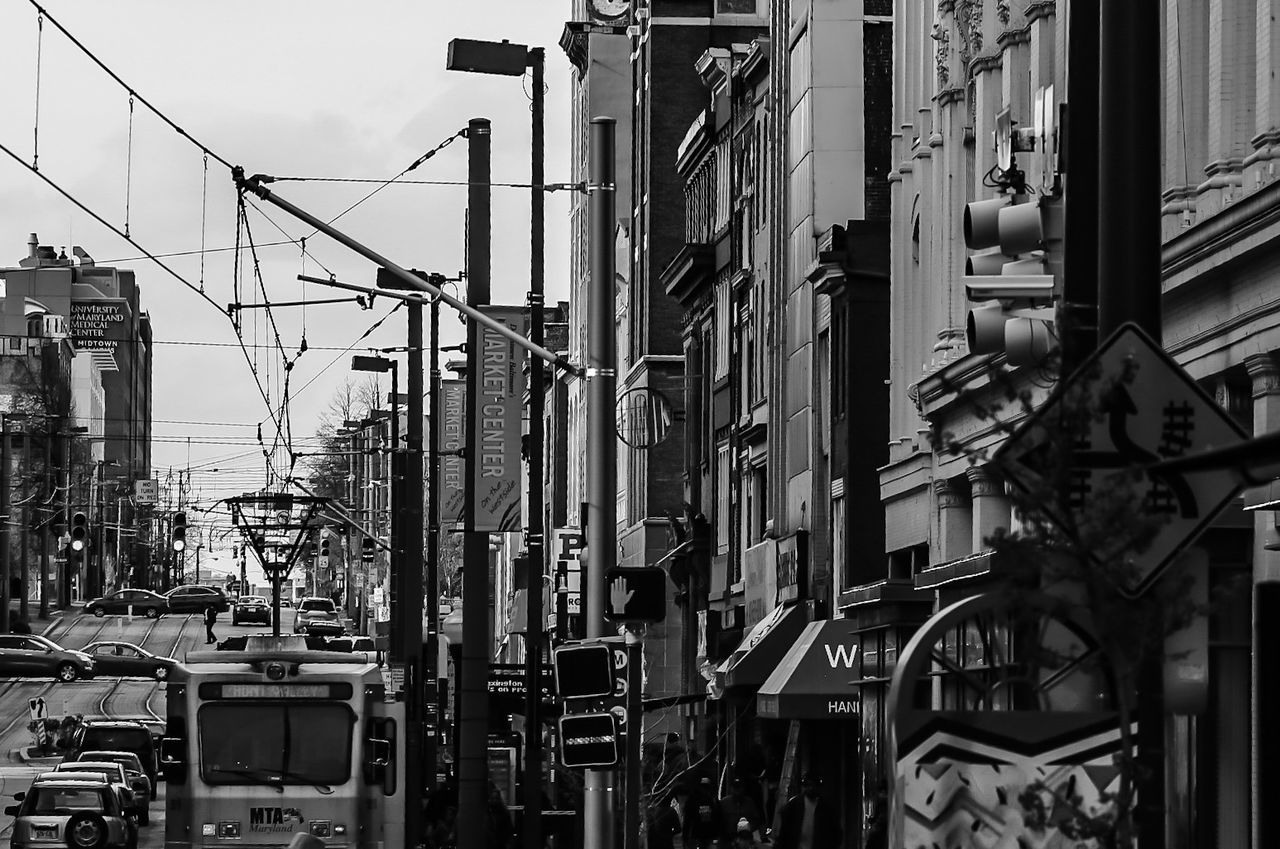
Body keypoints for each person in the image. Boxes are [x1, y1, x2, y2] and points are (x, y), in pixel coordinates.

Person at [773, 773, 843, 849]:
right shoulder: (794, 805)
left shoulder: (826, 808)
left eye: (814, 785)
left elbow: (835, 833)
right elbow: (784, 832)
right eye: (808, 785)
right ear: (804, 786)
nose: (811, 788)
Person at [717, 777, 763, 849]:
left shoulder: (749, 802)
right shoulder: (724, 802)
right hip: (727, 839)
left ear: (743, 788)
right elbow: (718, 820)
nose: (737, 790)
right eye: (735, 787)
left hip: (745, 840)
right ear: (731, 788)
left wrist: (748, 828)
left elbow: (756, 820)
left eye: (739, 787)